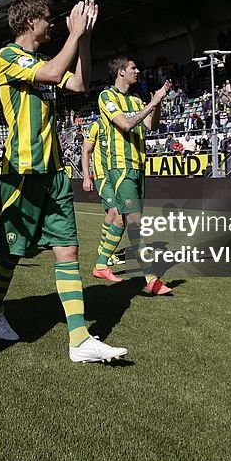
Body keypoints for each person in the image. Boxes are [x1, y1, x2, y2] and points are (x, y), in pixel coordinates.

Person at [0, 0, 127, 364]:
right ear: (30, 22)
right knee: (10, 254)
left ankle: (78, 339)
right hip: (22, 175)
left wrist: (85, 37)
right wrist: (73, 35)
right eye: (48, 18)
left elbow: (79, 84)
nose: (53, 23)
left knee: (68, 250)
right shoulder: (7, 56)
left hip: (55, 174)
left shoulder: (46, 59)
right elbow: (49, 75)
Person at [96, 57, 174, 295]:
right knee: (135, 222)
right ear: (121, 72)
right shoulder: (106, 97)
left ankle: (100, 265)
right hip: (121, 168)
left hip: (139, 168)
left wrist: (156, 103)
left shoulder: (136, 99)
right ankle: (151, 279)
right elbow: (125, 125)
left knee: (121, 218)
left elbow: (152, 125)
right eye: (133, 68)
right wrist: (152, 103)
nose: (137, 71)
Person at [82, 116, 123, 269]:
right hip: (102, 176)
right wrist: (86, 177)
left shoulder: (118, 124)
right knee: (115, 210)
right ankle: (103, 249)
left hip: (117, 174)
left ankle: (107, 250)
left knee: (111, 214)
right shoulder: (95, 126)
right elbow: (86, 151)